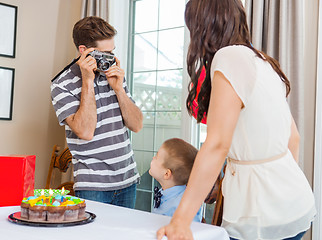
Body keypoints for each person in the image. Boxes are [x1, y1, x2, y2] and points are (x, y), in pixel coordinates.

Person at [157, 0, 316, 240]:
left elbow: (217, 145)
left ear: (202, 26)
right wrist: (279, 190)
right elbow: (293, 138)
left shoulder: (228, 57)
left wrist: (180, 220)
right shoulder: (262, 60)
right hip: (295, 203)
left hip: (261, 217)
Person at [51, 16, 143, 209]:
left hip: (128, 180)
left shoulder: (113, 73)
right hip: (93, 186)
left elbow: (137, 125)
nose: (110, 59)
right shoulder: (61, 85)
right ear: (84, 51)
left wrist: (119, 89)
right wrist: (87, 81)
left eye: (112, 53)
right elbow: (85, 132)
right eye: (105, 54)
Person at [149, 138, 202, 222]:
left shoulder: (183, 205)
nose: (153, 157)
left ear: (166, 174)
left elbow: (191, 230)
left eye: (157, 157)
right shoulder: (164, 193)